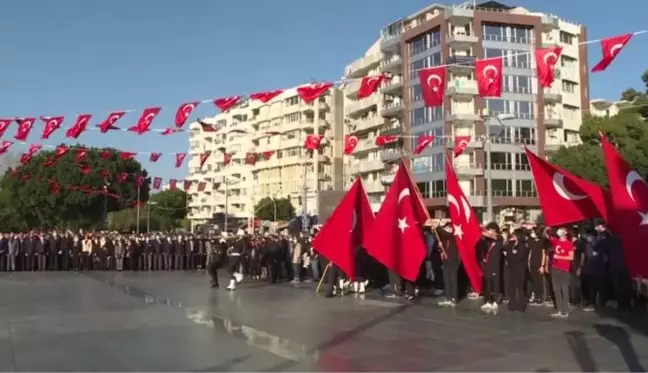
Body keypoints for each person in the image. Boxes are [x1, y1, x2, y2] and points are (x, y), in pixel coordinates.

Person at [547, 227, 575, 318]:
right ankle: (559, 309)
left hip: (564, 269)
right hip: (555, 268)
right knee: (556, 289)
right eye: (559, 230)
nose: (560, 231)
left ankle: (565, 310)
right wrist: (548, 229)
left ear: (566, 233)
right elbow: (546, 236)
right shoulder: (556, 241)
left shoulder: (569, 244)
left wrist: (558, 256)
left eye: (562, 230)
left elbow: (571, 257)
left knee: (564, 289)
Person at [504, 229, 530, 312]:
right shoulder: (510, 244)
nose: (513, 236)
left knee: (520, 288)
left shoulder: (523, 246)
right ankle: (512, 304)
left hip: (520, 269)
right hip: (511, 268)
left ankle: (521, 306)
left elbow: (520, 257)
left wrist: (513, 253)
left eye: (515, 235)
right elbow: (507, 254)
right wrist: (512, 251)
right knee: (511, 287)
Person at [480, 223, 503, 313]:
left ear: (495, 230)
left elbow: (493, 236)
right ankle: (488, 301)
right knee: (488, 283)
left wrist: (484, 228)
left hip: (495, 265)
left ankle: (495, 302)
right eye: (489, 229)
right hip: (487, 264)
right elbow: (484, 237)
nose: (490, 231)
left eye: (491, 229)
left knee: (495, 283)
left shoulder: (500, 238)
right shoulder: (488, 241)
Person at [437, 223, 460, 307]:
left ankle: (454, 298)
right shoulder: (444, 238)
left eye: (448, 228)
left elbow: (447, 235)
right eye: (446, 228)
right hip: (446, 261)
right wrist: (440, 247)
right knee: (446, 280)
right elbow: (442, 248)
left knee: (453, 280)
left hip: (453, 260)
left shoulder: (454, 236)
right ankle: (448, 297)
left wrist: (439, 229)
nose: (446, 230)